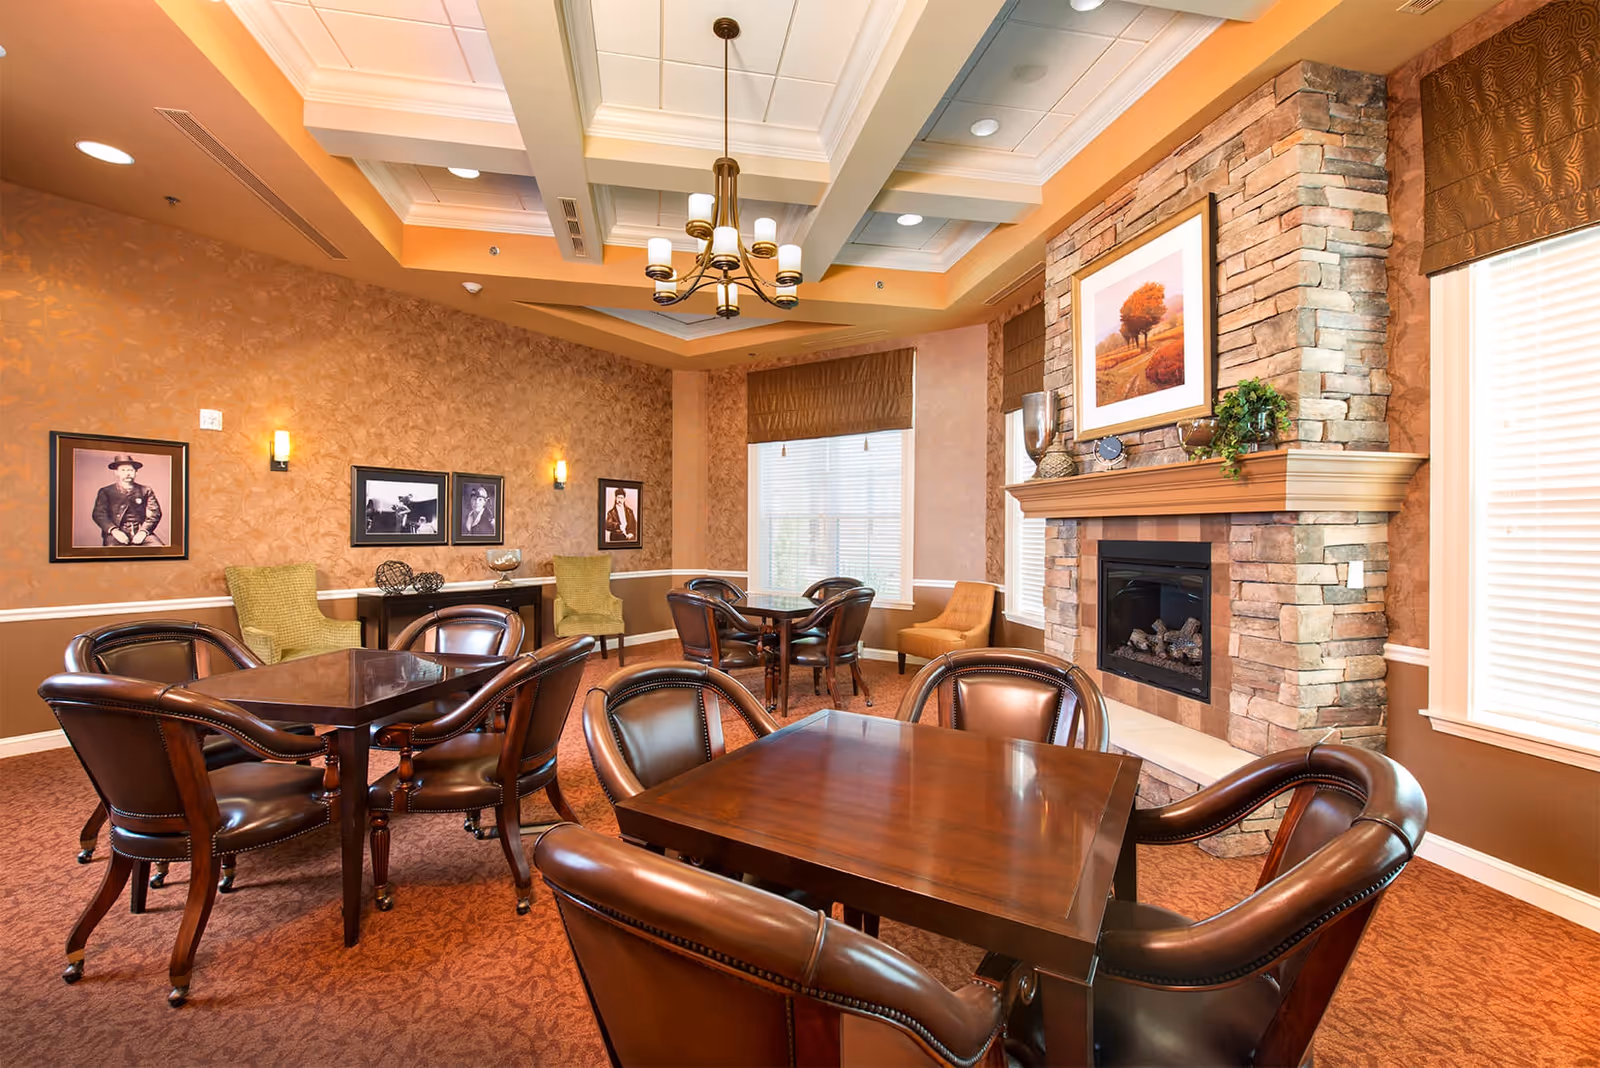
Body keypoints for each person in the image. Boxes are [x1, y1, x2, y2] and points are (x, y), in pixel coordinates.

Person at [91, 454, 163, 546]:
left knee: (160, 549)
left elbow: (155, 513)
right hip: (117, 533)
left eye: (130, 470)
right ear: (116, 472)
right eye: (123, 470)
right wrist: (114, 531)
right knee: (112, 554)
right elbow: (99, 514)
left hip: (140, 531)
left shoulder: (146, 490)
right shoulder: (106, 491)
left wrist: (143, 532)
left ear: (136, 472)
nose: (127, 473)